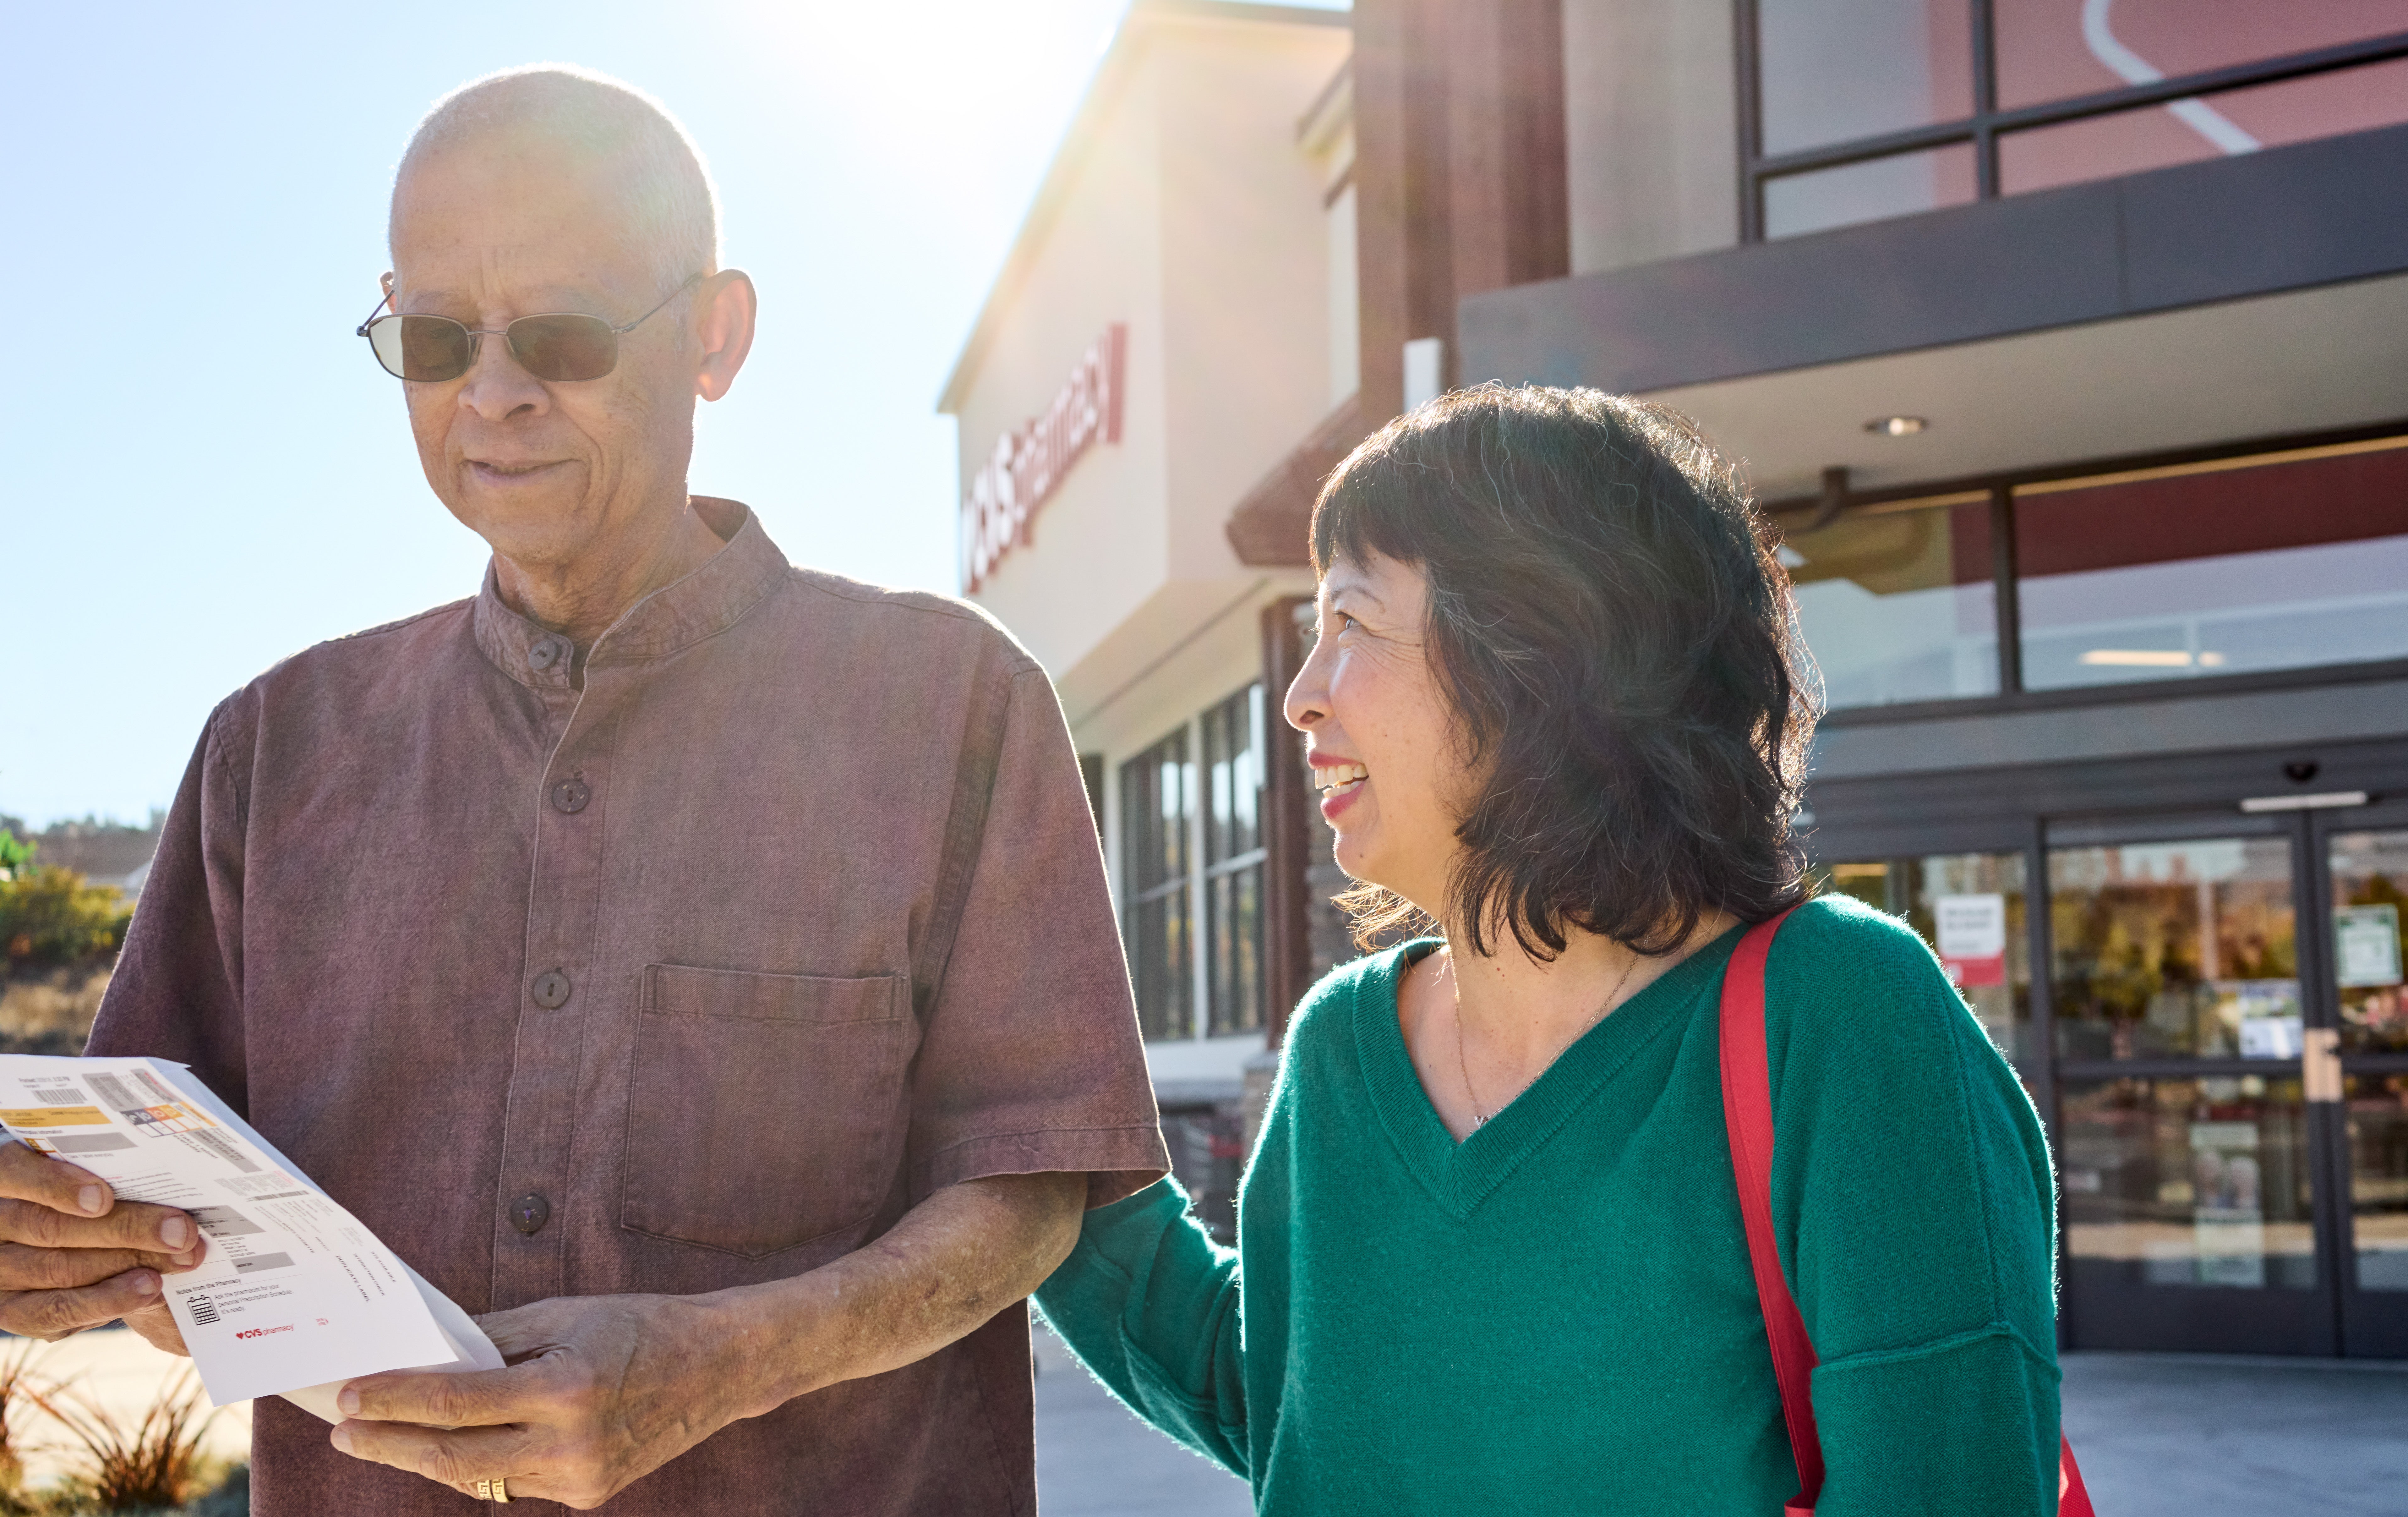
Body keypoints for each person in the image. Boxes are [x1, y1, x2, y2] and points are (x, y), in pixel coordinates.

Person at [0, 65, 1168, 1514]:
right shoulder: (269, 752)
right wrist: (56, 1248)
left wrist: (722, 1361)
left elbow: (1030, 1191)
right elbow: (136, 1199)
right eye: (435, 339)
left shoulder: (956, 710)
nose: (493, 393)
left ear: (716, 336)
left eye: (560, 332)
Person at [1035, 386, 2065, 1514]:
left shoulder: (1845, 1019)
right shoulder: (1339, 1050)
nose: (1299, 698)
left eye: (1352, 624)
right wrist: (1025, 1135)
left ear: (1540, 652)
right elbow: (1282, 1402)